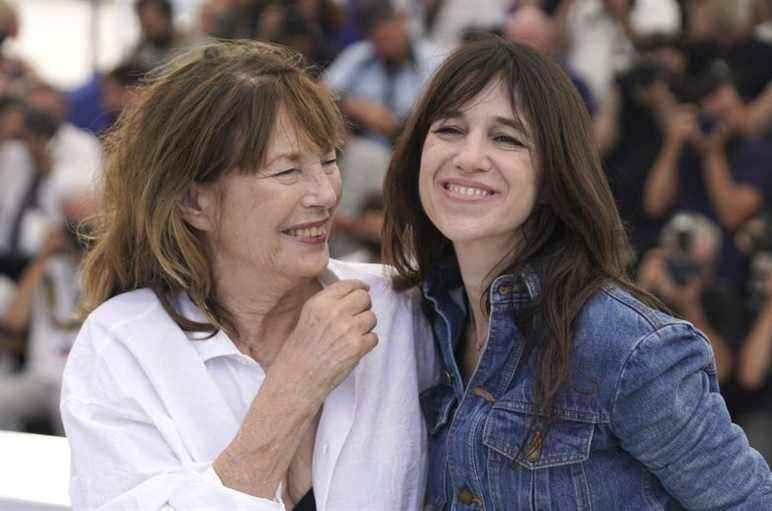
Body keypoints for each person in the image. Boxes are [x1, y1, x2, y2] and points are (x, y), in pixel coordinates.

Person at [382, 37, 772, 510]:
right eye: (449, 129)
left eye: (506, 138)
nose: (469, 157)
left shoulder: (626, 346)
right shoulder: (421, 319)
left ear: (552, 176)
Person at [60, 41, 431, 511]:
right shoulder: (123, 345)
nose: (323, 193)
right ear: (196, 203)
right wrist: (293, 389)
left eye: (329, 160)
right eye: (287, 171)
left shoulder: (397, 305)